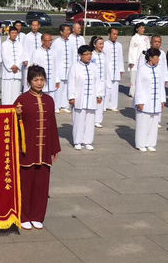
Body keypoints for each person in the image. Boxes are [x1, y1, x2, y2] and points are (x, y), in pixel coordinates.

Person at [14, 65, 60, 230]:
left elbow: (53, 125)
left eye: (41, 79)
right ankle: (23, 215)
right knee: (26, 184)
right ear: (29, 81)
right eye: (35, 80)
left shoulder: (49, 100)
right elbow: (11, 124)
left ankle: (37, 215)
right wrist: (16, 114)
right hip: (27, 150)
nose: (39, 83)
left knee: (42, 185)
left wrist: (55, 147)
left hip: (45, 150)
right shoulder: (22, 99)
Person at [68, 45, 104, 150]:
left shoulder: (94, 67)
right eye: (86, 54)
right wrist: (71, 97)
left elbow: (98, 82)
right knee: (78, 120)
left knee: (90, 120)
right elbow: (71, 82)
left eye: (90, 54)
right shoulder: (75, 67)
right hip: (79, 98)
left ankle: (87, 141)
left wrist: (99, 94)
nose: (89, 56)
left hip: (91, 98)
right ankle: (77, 141)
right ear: (80, 55)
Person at [134, 48, 165, 152]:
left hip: (156, 100)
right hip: (145, 101)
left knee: (153, 123)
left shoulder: (159, 69)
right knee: (143, 123)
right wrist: (139, 101)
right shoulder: (142, 69)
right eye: (156, 57)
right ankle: (141, 143)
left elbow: (161, 85)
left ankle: (151, 143)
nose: (158, 59)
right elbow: (138, 86)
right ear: (151, 58)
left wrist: (162, 99)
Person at [52, 24, 76, 112]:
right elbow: (54, 57)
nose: (68, 32)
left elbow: (74, 55)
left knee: (67, 88)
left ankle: (65, 105)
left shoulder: (71, 42)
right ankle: (56, 106)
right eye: (66, 30)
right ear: (61, 32)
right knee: (58, 88)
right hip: (59, 69)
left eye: (69, 30)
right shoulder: (56, 42)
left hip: (69, 69)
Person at [89, 36, 111, 128]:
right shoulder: (91, 55)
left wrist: (108, 82)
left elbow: (107, 70)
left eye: (103, 44)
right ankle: (91, 119)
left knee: (100, 101)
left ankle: (98, 120)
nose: (102, 46)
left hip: (102, 81)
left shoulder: (104, 55)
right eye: (100, 44)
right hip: (94, 82)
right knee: (93, 100)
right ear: (94, 45)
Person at [30, 34, 60, 101]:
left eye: (51, 40)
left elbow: (57, 67)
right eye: (48, 40)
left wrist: (57, 80)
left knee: (51, 99)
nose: (50, 42)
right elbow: (34, 68)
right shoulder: (37, 52)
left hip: (52, 80)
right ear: (42, 41)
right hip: (41, 81)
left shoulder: (54, 52)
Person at [0, 27, 25, 104]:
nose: (14, 34)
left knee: (16, 92)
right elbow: (4, 57)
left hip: (17, 72)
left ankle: (15, 109)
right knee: (6, 92)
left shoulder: (20, 44)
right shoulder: (4, 44)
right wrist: (11, 66)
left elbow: (22, 56)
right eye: (12, 33)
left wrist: (17, 66)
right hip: (8, 73)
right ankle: (5, 109)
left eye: (15, 33)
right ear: (9, 33)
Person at [102, 27, 124, 111]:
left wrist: (121, 69)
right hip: (107, 70)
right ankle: (104, 105)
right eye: (113, 34)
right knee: (107, 88)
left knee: (115, 89)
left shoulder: (119, 45)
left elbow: (121, 57)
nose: (115, 36)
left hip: (116, 69)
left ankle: (113, 105)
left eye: (116, 34)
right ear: (109, 34)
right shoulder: (105, 44)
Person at [127, 24, 150, 97]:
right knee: (134, 77)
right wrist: (131, 61)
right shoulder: (134, 38)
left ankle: (142, 91)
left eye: (144, 28)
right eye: (141, 28)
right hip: (135, 61)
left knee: (142, 77)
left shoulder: (146, 38)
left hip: (144, 60)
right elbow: (131, 50)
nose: (143, 29)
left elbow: (148, 48)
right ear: (137, 29)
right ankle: (132, 92)